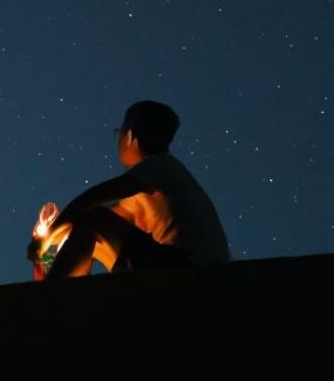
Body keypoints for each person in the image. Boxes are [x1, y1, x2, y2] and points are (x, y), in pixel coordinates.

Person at [29, 101, 230, 279]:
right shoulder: (155, 183)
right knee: (87, 232)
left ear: (130, 136)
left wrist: (44, 243)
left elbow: (91, 200)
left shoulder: (159, 166)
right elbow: (86, 226)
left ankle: (51, 294)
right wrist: (47, 240)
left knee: (92, 218)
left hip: (186, 266)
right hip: (174, 263)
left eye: (119, 132)